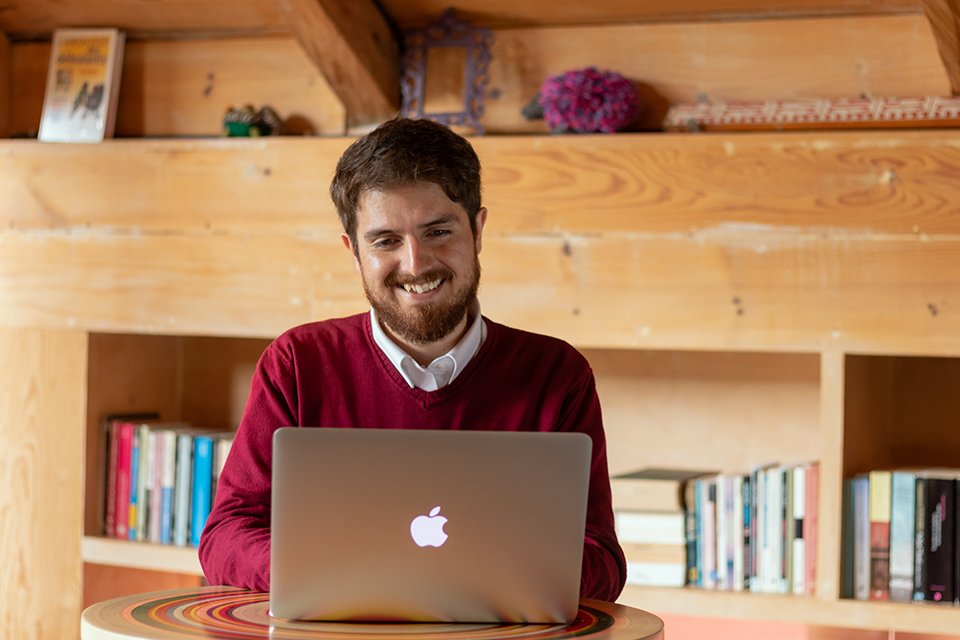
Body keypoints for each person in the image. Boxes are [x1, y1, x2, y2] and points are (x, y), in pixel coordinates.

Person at [198, 117, 626, 601]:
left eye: (439, 231)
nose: (416, 264)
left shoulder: (557, 374)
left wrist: (454, 576)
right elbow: (226, 536)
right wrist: (333, 575)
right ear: (354, 253)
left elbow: (602, 559)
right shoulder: (296, 364)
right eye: (385, 241)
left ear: (477, 230)